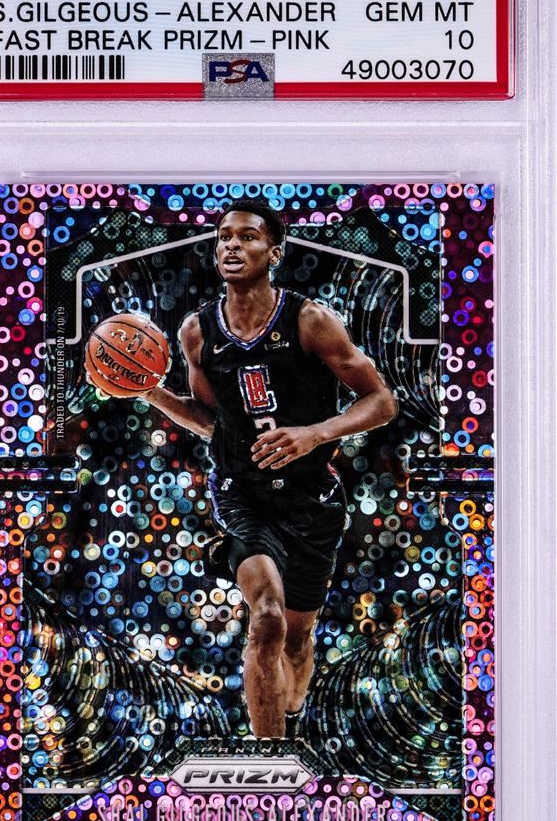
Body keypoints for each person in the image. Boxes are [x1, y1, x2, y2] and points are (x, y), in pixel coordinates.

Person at [144, 200, 397, 738]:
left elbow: (381, 401)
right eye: (224, 237)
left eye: (248, 237)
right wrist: (150, 392)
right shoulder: (197, 331)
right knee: (266, 618)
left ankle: (292, 710)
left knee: (298, 640)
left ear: (274, 252)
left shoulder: (309, 320)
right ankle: (271, 762)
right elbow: (211, 422)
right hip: (244, 495)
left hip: (312, 500)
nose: (232, 246)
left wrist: (315, 433)